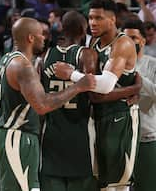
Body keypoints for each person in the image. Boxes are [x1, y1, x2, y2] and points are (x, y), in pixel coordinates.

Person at [0, 17, 96, 191]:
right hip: (16, 136)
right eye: (41, 34)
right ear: (31, 38)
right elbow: (42, 105)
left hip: (8, 135)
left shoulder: (6, 59)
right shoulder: (23, 66)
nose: (45, 38)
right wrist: (78, 86)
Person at [54, 0, 139, 191]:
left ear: (112, 19)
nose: (92, 22)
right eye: (90, 17)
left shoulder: (122, 43)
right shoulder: (93, 42)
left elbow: (106, 86)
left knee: (117, 184)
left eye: (99, 18)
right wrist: (134, 87)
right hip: (97, 116)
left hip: (119, 117)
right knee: (100, 182)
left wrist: (72, 75)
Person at [40, 11, 99, 191]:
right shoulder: (87, 55)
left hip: (51, 134)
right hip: (80, 134)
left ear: (62, 28)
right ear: (84, 30)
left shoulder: (44, 57)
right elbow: (95, 94)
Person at [121, 18, 156, 191]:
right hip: (122, 138)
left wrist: (139, 77)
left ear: (143, 40)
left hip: (146, 138)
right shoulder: (115, 65)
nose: (129, 42)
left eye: (133, 38)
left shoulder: (153, 64)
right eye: (125, 38)